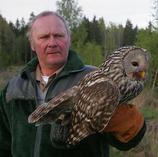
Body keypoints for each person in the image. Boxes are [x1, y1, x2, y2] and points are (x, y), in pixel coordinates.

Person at [0, 11, 146, 157]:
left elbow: (127, 140)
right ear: (32, 44)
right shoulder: (13, 88)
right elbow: (3, 144)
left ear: (69, 39)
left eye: (59, 36)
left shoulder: (95, 77)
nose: (52, 43)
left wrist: (126, 123)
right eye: (44, 37)